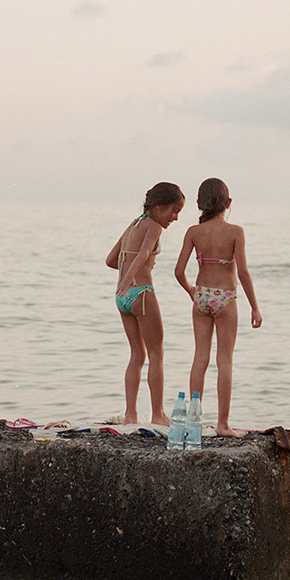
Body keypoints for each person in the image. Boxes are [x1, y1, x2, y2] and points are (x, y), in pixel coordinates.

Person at [172, 178, 263, 437]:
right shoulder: (236, 231)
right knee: (225, 361)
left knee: (200, 357)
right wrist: (255, 307)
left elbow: (178, 271)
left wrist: (191, 290)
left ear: (199, 204)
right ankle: (223, 424)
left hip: (201, 296)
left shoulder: (193, 232)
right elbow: (243, 273)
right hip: (225, 298)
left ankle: (194, 422)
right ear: (229, 203)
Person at [105, 182, 184, 426]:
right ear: (158, 207)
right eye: (174, 210)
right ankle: (158, 415)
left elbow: (110, 260)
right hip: (141, 292)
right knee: (156, 353)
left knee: (136, 355)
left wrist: (130, 272)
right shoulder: (154, 227)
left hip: (122, 298)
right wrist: (133, 274)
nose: (176, 217)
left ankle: (131, 415)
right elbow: (143, 252)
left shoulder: (133, 225)